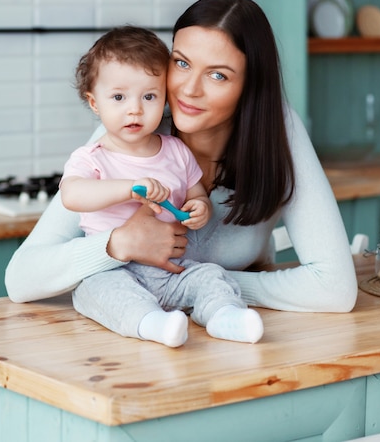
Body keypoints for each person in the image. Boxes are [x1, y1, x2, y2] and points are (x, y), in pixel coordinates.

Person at [5, 0, 358, 324]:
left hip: (224, 338)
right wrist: (117, 244)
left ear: (250, 86)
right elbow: (22, 278)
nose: (189, 89)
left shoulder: (277, 130)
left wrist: (209, 284)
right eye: (182, 62)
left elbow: (335, 289)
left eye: (218, 75)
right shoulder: (133, 131)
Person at [59, 26, 264, 347]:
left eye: (149, 97)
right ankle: (153, 324)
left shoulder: (175, 151)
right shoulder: (91, 157)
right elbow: (72, 195)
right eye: (118, 97)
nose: (135, 109)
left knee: (210, 276)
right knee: (97, 293)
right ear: (94, 102)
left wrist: (199, 208)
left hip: (172, 271)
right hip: (112, 270)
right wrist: (129, 188)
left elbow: (195, 193)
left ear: (165, 98)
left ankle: (225, 316)